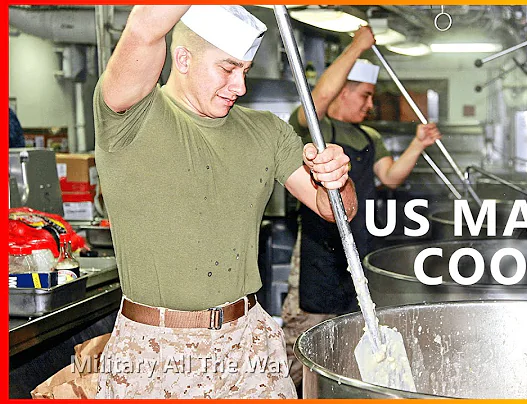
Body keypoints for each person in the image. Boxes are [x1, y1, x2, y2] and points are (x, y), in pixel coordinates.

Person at [92, 5, 356, 399]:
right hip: (156, 352)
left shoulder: (266, 131)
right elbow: (144, 28)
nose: (240, 86)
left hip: (249, 345)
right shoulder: (130, 115)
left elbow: (336, 210)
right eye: (228, 69)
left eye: (245, 71)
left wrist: (338, 179)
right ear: (183, 59)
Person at [281, 26, 442, 387]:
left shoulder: (370, 136)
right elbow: (319, 97)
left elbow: (391, 177)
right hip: (317, 251)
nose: (370, 106)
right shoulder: (316, 127)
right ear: (343, 91)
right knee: (303, 344)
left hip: (359, 242)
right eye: (365, 96)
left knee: (348, 338)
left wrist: (418, 144)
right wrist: (357, 46)